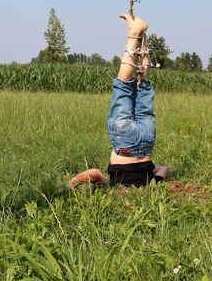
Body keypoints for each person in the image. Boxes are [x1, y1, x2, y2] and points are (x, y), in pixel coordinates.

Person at [69, 13, 168, 188]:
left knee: (143, 86)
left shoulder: (151, 183)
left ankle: (141, 36)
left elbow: (163, 169)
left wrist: (153, 171)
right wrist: (71, 184)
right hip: (125, 143)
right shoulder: (112, 186)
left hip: (147, 141)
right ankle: (134, 35)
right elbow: (94, 173)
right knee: (123, 86)